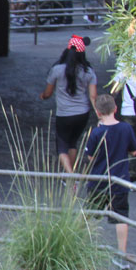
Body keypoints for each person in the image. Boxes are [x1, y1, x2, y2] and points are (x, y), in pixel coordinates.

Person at [83, 94, 136, 270]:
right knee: (121, 216)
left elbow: (90, 156)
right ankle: (121, 254)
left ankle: (83, 249)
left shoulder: (96, 132)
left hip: (99, 180)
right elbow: (134, 152)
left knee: (90, 215)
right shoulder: (125, 129)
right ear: (116, 109)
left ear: (98, 112)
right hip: (120, 180)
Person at [40, 35, 98, 173]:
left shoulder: (58, 70)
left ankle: (70, 175)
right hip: (82, 113)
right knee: (72, 143)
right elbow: (93, 96)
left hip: (64, 114)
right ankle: (68, 175)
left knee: (62, 147)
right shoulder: (88, 71)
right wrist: (99, 114)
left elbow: (47, 93)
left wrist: (42, 96)